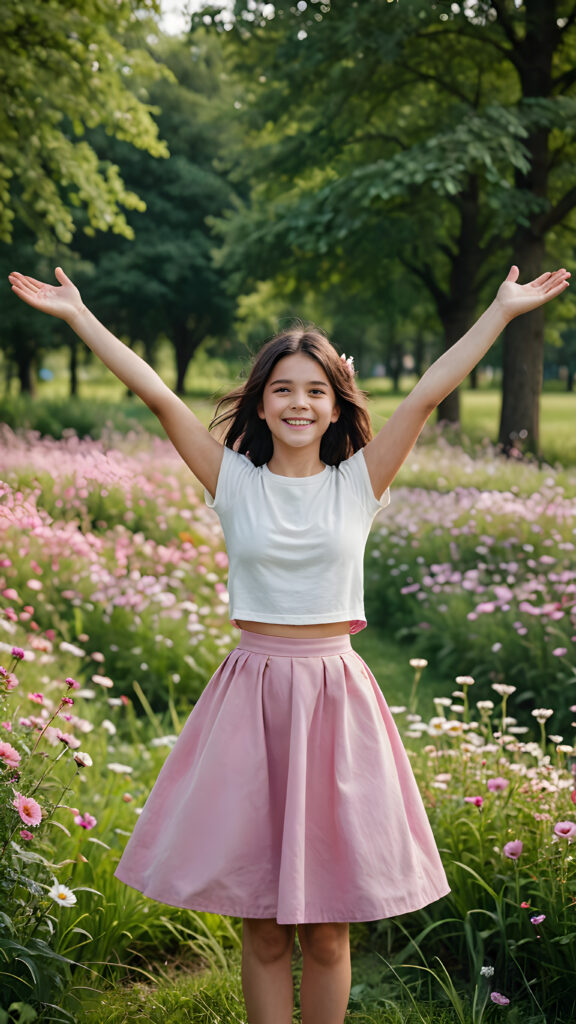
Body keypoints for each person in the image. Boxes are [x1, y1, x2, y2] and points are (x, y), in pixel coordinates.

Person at [9, 264, 570, 1024]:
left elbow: (428, 393)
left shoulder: (360, 483)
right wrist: (80, 317)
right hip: (251, 698)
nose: (299, 402)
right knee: (264, 924)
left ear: (335, 405)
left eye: (315, 390)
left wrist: (501, 312)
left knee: (330, 931)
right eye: (283, 389)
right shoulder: (233, 481)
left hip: (335, 698)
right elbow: (157, 395)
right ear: (261, 405)